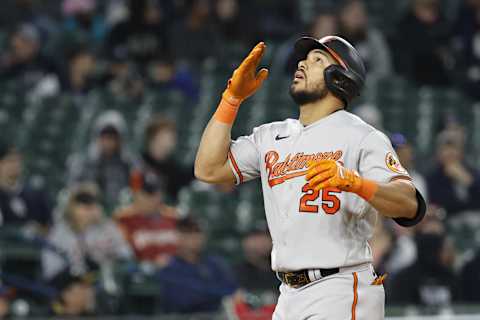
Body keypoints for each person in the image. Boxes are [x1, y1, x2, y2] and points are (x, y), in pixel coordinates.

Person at [194, 37, 426, 319]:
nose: (303, 63)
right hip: (288, 294)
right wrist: (231, 100)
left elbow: (410, 205)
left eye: (318, 60)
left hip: (340, 287)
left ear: (340, 78)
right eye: (305, 59)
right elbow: (208, 169)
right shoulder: (271, 136)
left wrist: (356, 183)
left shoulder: (361, 136)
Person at [42, 183, 132, 280]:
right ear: (71, 205)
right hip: (71, 283)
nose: (88, 207)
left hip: (101, 282)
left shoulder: (107, 227)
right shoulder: (60, 232)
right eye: (83, 201)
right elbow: (51, 270)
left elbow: (125, 254)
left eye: (93, 201)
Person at [156, 216, 238, 313]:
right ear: (178, 236)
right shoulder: (169, 266)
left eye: (198, 232)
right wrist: (219, 294)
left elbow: (233, 291)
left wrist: (202, 291)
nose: (195, 237)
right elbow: (185, 300)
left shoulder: (215, 263)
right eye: (188, 232)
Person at [67, 110, 136, 211]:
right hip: (89, 212)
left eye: (112, 138)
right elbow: (72, 189)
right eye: (104, 137)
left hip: (119, 211)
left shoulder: (128, 162)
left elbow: (137, 190)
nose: (108, 142)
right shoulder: (83, 161)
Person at [114, 171, 178, 266]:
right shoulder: (123, 220)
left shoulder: (174, 216)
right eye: (149, 193)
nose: (156, 197)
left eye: (158, 191)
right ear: (135, 193)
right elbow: (123, 257)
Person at [387, 232, 458, 308]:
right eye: (443, 250)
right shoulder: (404, 279)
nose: (447, 254)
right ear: (434, 251)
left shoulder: (450, 278)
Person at [392, 0, 453, 86]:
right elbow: (402, 69)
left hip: (444, 87)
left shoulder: (448, 26)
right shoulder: (404, 27)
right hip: (413, 88)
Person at [140, 117, 194, 203]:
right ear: (155, 136)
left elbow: (187, 178)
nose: (173, 139)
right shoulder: (139, 163)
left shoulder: (173, 168)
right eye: (168, 134)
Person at [0, 140, 52, 230]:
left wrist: (36, 230)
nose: (15, 165)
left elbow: (48, 228)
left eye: (18, 160)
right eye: (9, 161)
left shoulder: (37, 197)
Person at [427, 129, 480, 216]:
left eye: (454, 149)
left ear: (461, 153)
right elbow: (440, 204)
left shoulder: (472, 172)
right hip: (448, 220)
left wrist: (468, 181)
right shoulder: (433, 177)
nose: (450, 153)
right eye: (445, 149)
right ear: (438, 154)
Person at [337, 0, 392, 81]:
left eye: (361, 12)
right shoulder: (334, 40)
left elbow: (384, 69)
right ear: (342, 15)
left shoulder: (373, 38)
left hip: (372, 87)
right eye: (353, 12)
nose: (358, 17)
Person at [235, 223, 280, 298]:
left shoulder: (281, 270)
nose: (261, 242)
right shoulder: (236, 272)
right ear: (245, 241)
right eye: (256, 238)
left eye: (266, 237)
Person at [391, 133, 428, 201]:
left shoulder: (418, 180)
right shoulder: (385, 177)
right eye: (400, 153)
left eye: (407, 153)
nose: (405, 157)